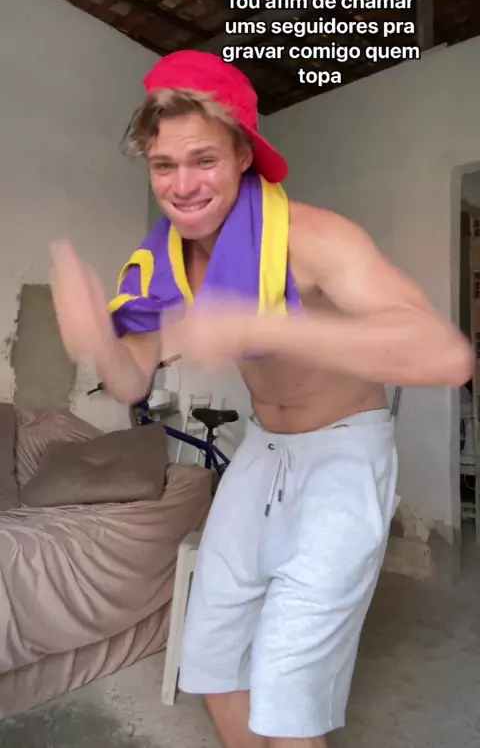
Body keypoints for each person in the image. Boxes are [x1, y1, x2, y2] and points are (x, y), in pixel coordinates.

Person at [50, 50, 473, 748]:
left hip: (344, 452)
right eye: (163, 165)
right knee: (211, 657)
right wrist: (98, 338)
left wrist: (268, 326)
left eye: (204, 160)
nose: (183, 185)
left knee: (286, 682)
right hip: (263, 449)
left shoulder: (311, 237)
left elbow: (445, 355)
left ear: (244, 154)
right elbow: (129, 381)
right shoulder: (160, 264)